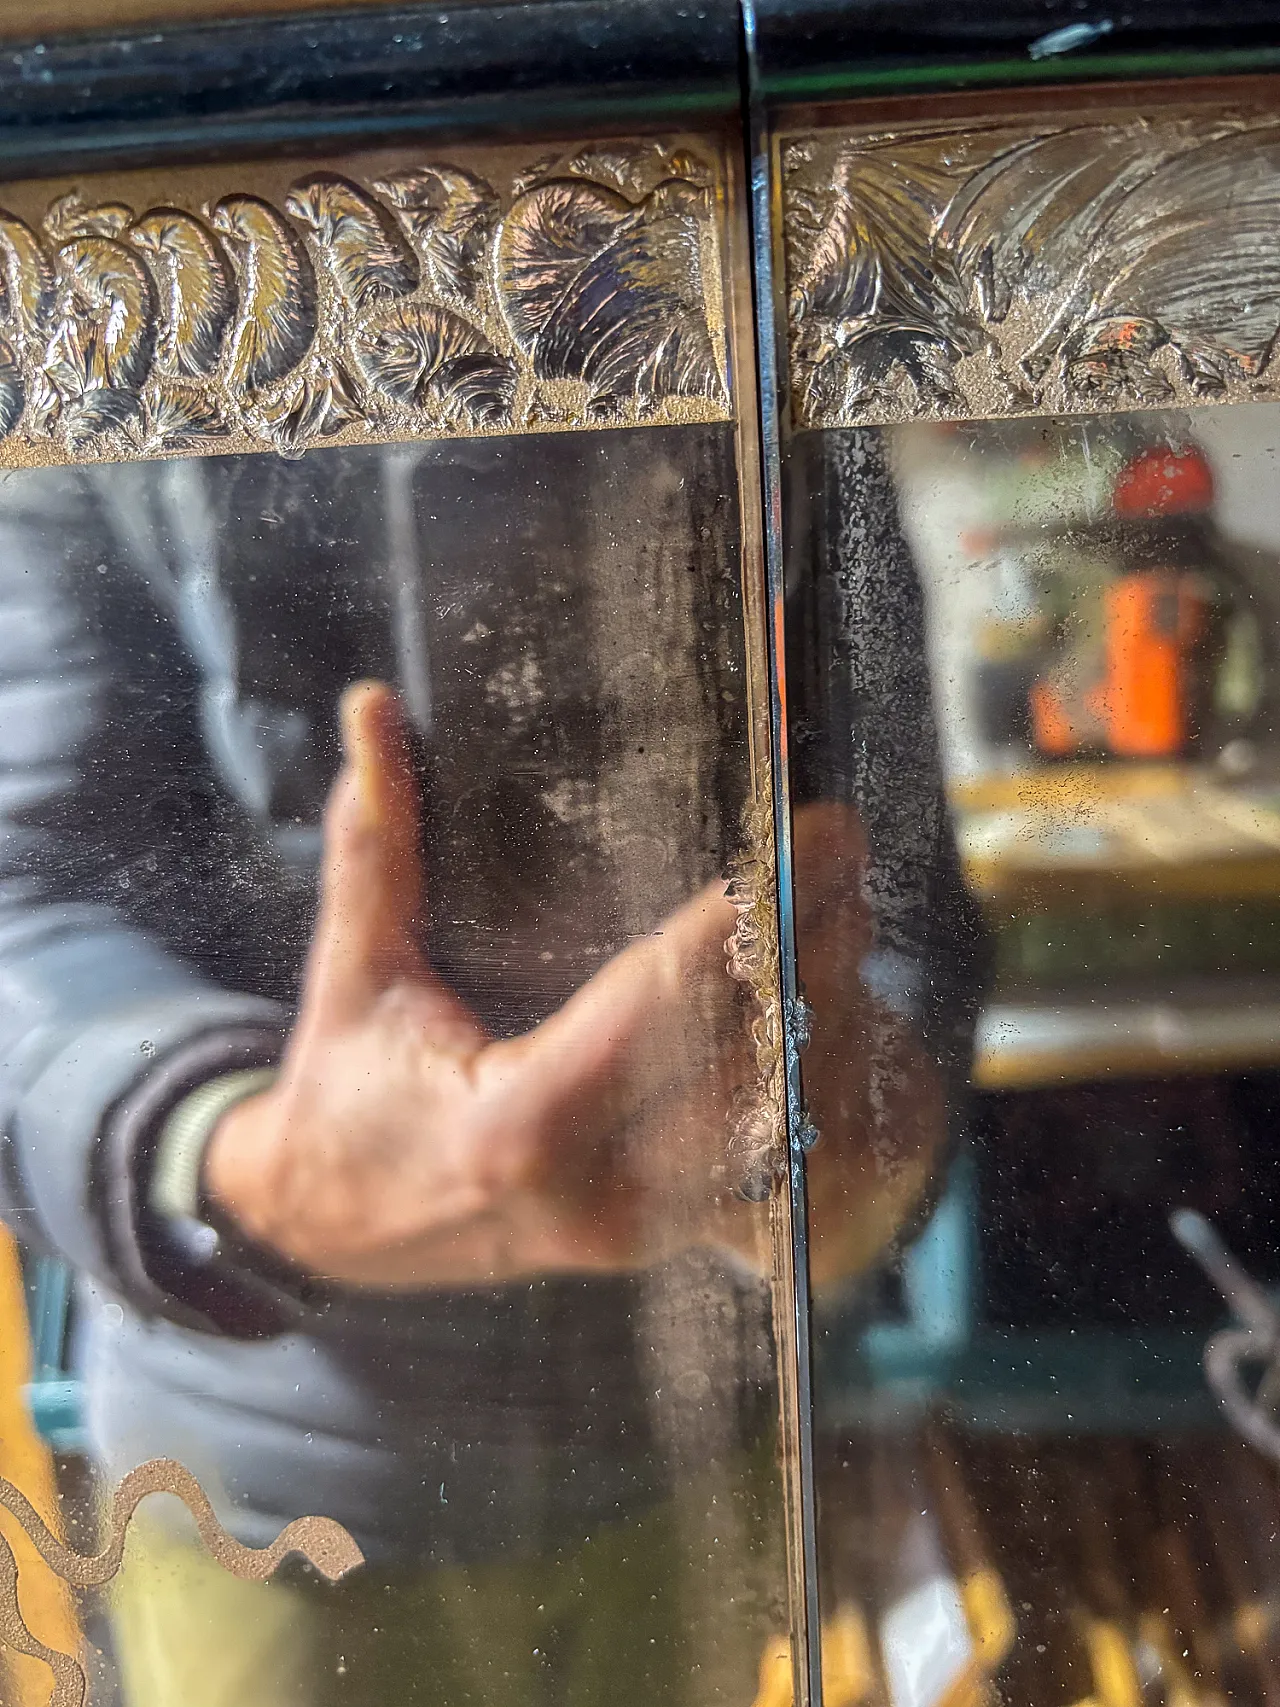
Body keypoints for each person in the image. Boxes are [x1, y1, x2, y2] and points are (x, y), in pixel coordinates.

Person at [0, 427, 977, 1704]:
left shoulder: (777, 365)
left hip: (691, 1433)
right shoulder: (117, 353)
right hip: (280, 1483)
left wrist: (857, 1123)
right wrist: (242, 1152)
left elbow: (894, 871)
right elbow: (29, 897)